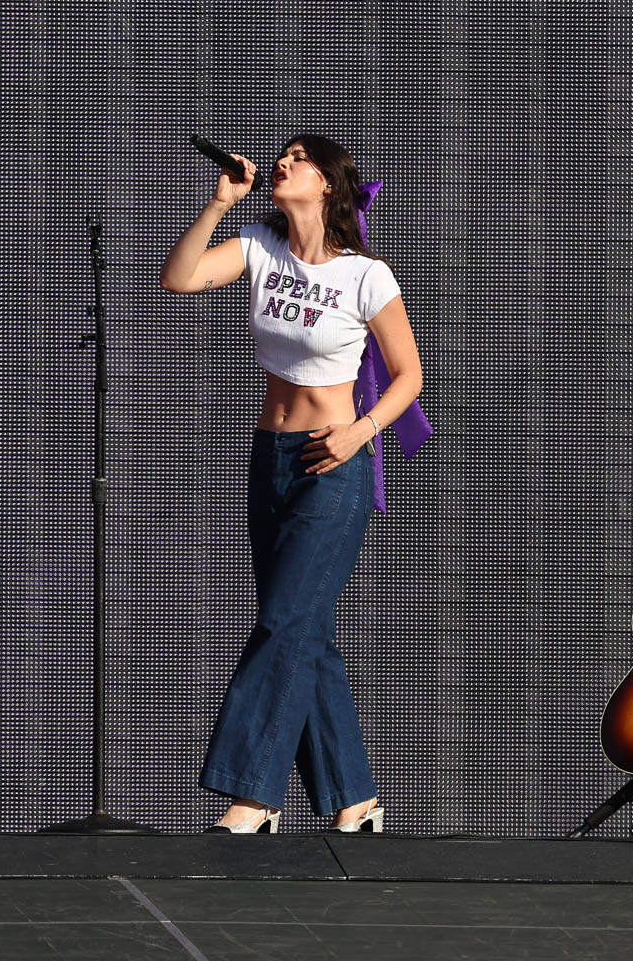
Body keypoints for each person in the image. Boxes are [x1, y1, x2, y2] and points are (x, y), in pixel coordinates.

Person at [160, 135, 423, 833]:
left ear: (328, 183)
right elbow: (179, 279)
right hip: (271, 458)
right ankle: (354, 797)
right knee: (305, 629)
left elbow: (410, 377)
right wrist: (220, 203)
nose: (284, 162)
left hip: (333, 464)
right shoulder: (259, 247)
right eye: (283, 154)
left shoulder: (366, 275)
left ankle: (254, 796)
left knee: (284, 623)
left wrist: (361, 432)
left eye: (300, 158)